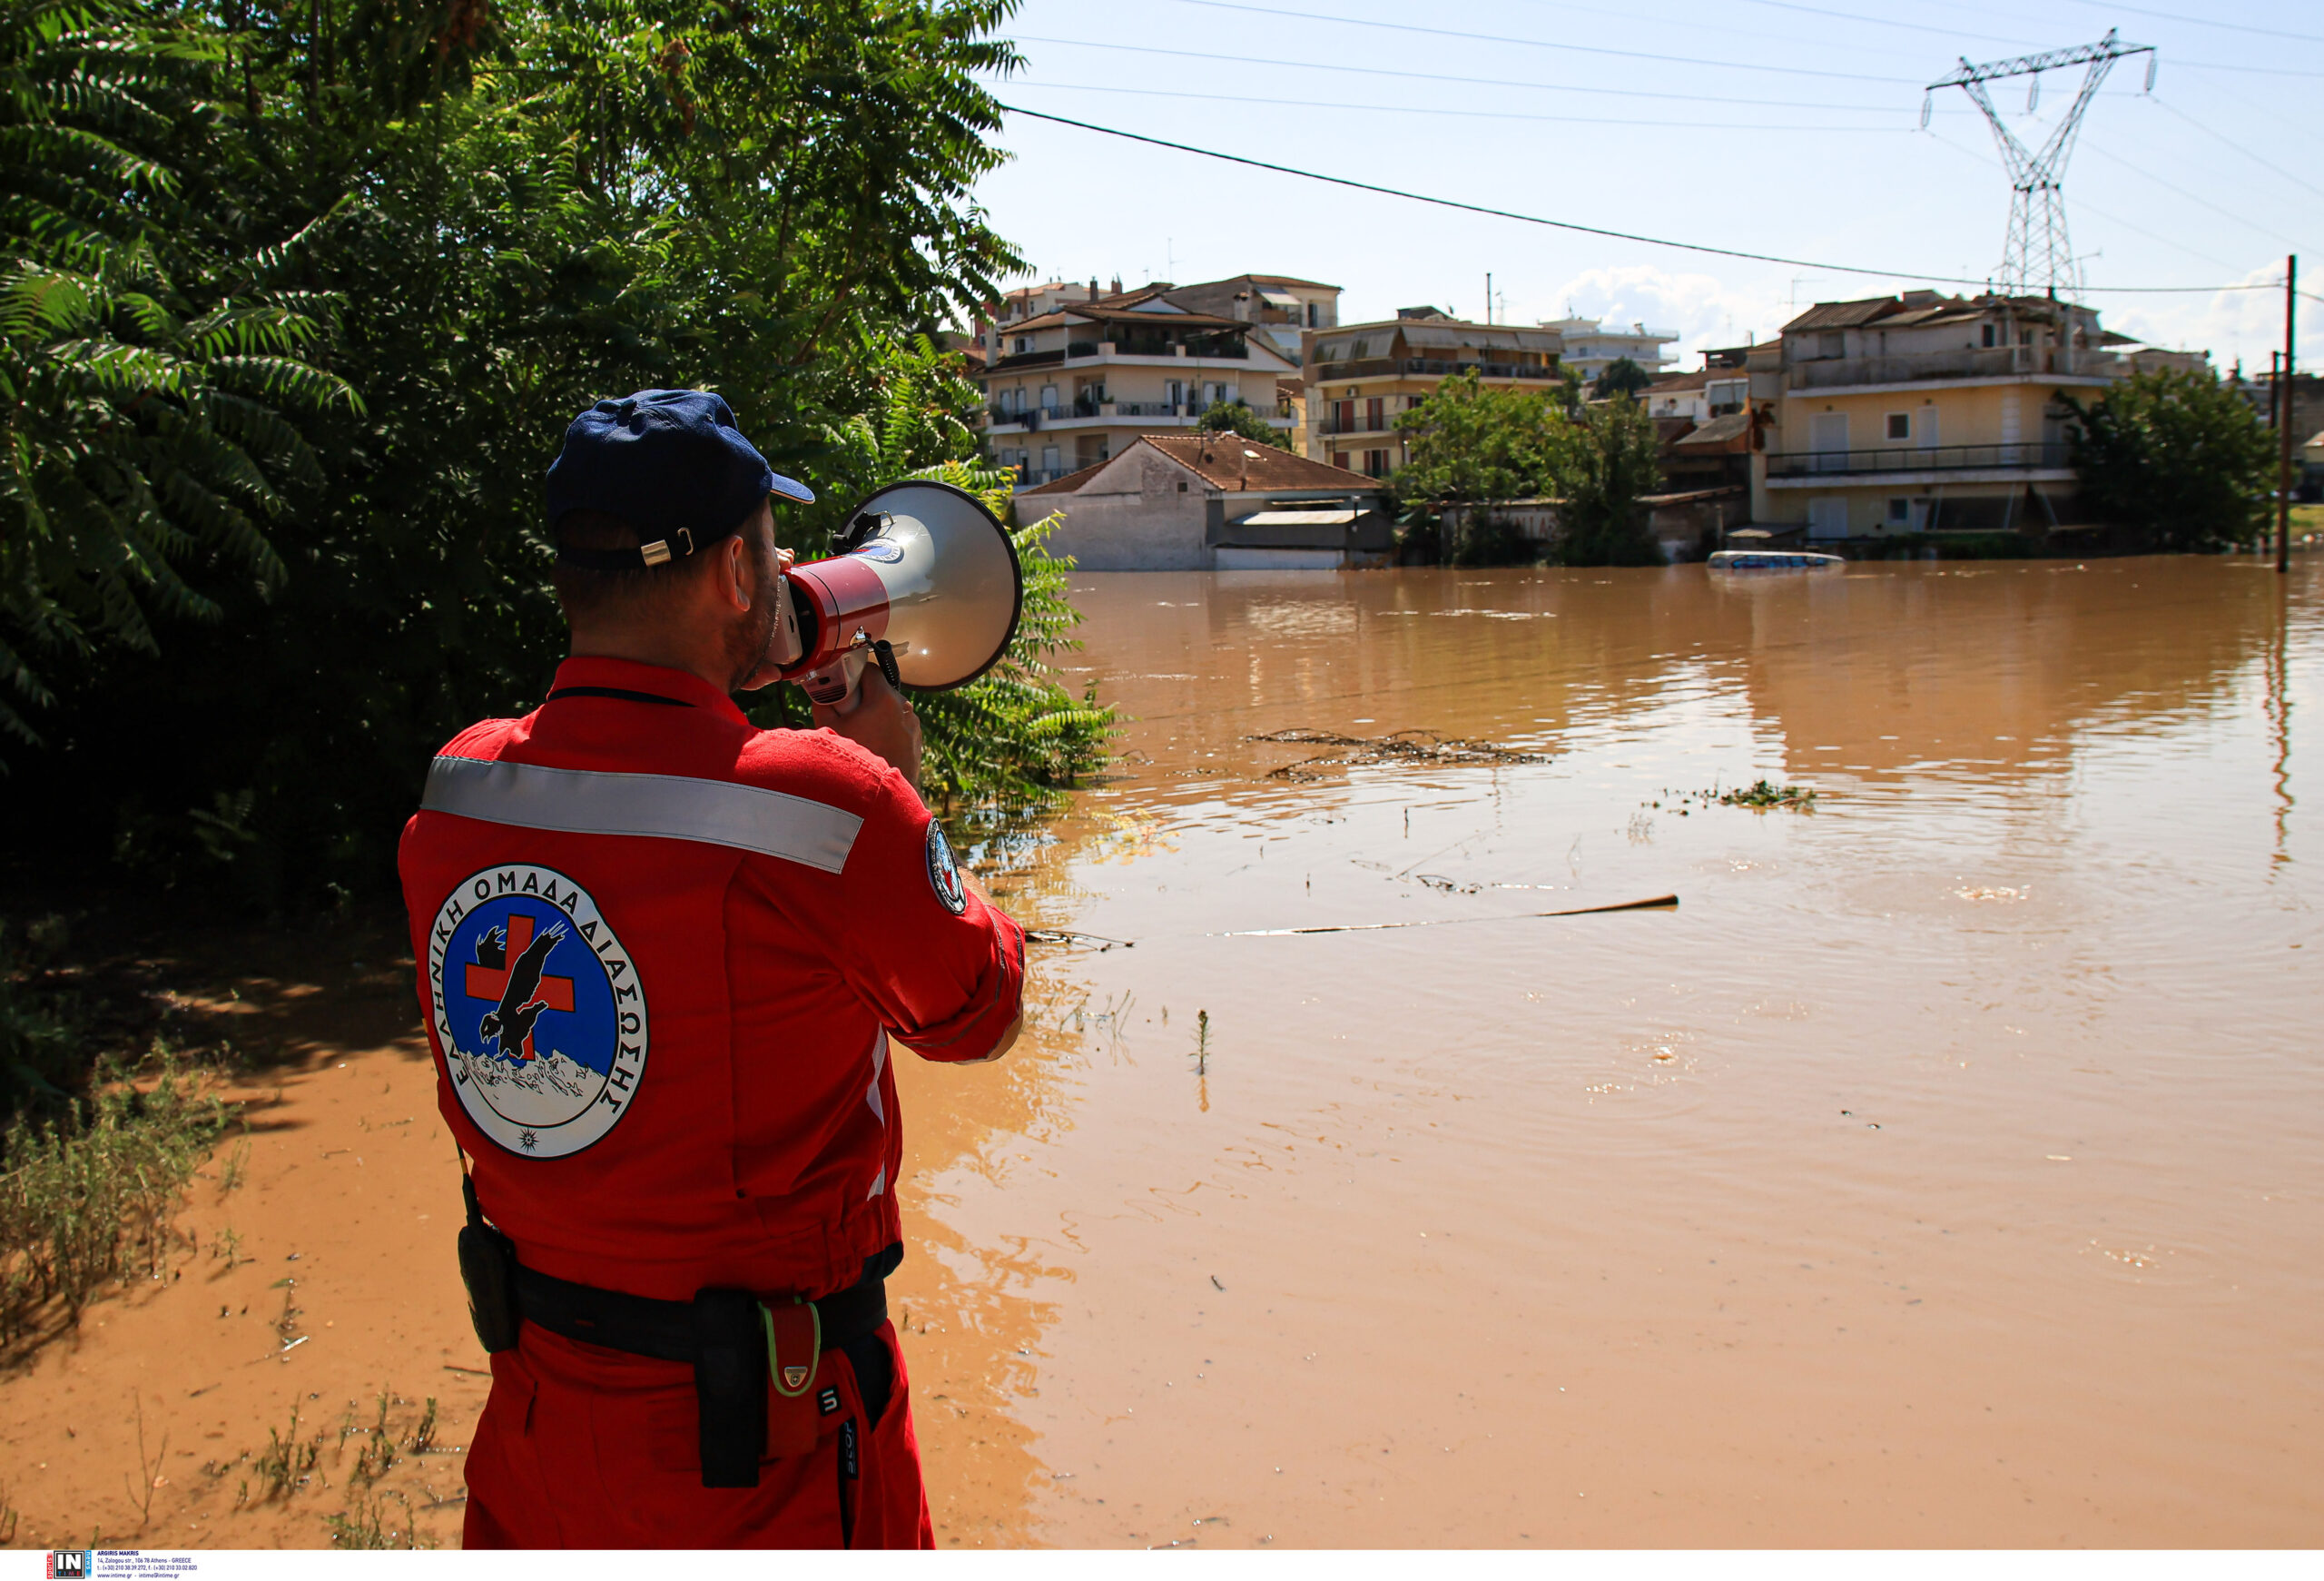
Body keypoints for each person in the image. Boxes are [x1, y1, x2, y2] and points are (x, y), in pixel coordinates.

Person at [397, 389, 1025, 1547]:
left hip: (538, 1434)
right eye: (772, 548)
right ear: (740, 576)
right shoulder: (823, 807)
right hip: (769, 1458)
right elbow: (977, 1013)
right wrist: (895, 783)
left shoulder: (459, 788)